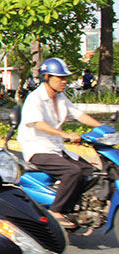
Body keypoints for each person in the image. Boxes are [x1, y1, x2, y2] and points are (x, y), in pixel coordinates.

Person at [17, 57, 103, 229]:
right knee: (73, 171)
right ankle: (56, 211)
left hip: (56, 148)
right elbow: (39, 124)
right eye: (60, 78)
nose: (64, 81)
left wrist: (103, 128)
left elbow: (78, 115)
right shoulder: (35, 98)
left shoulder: (61, 97)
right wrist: (65, 134)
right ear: (47, 77)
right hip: (38, 149)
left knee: (91, 172)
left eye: (65, 78)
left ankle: (72, 208)